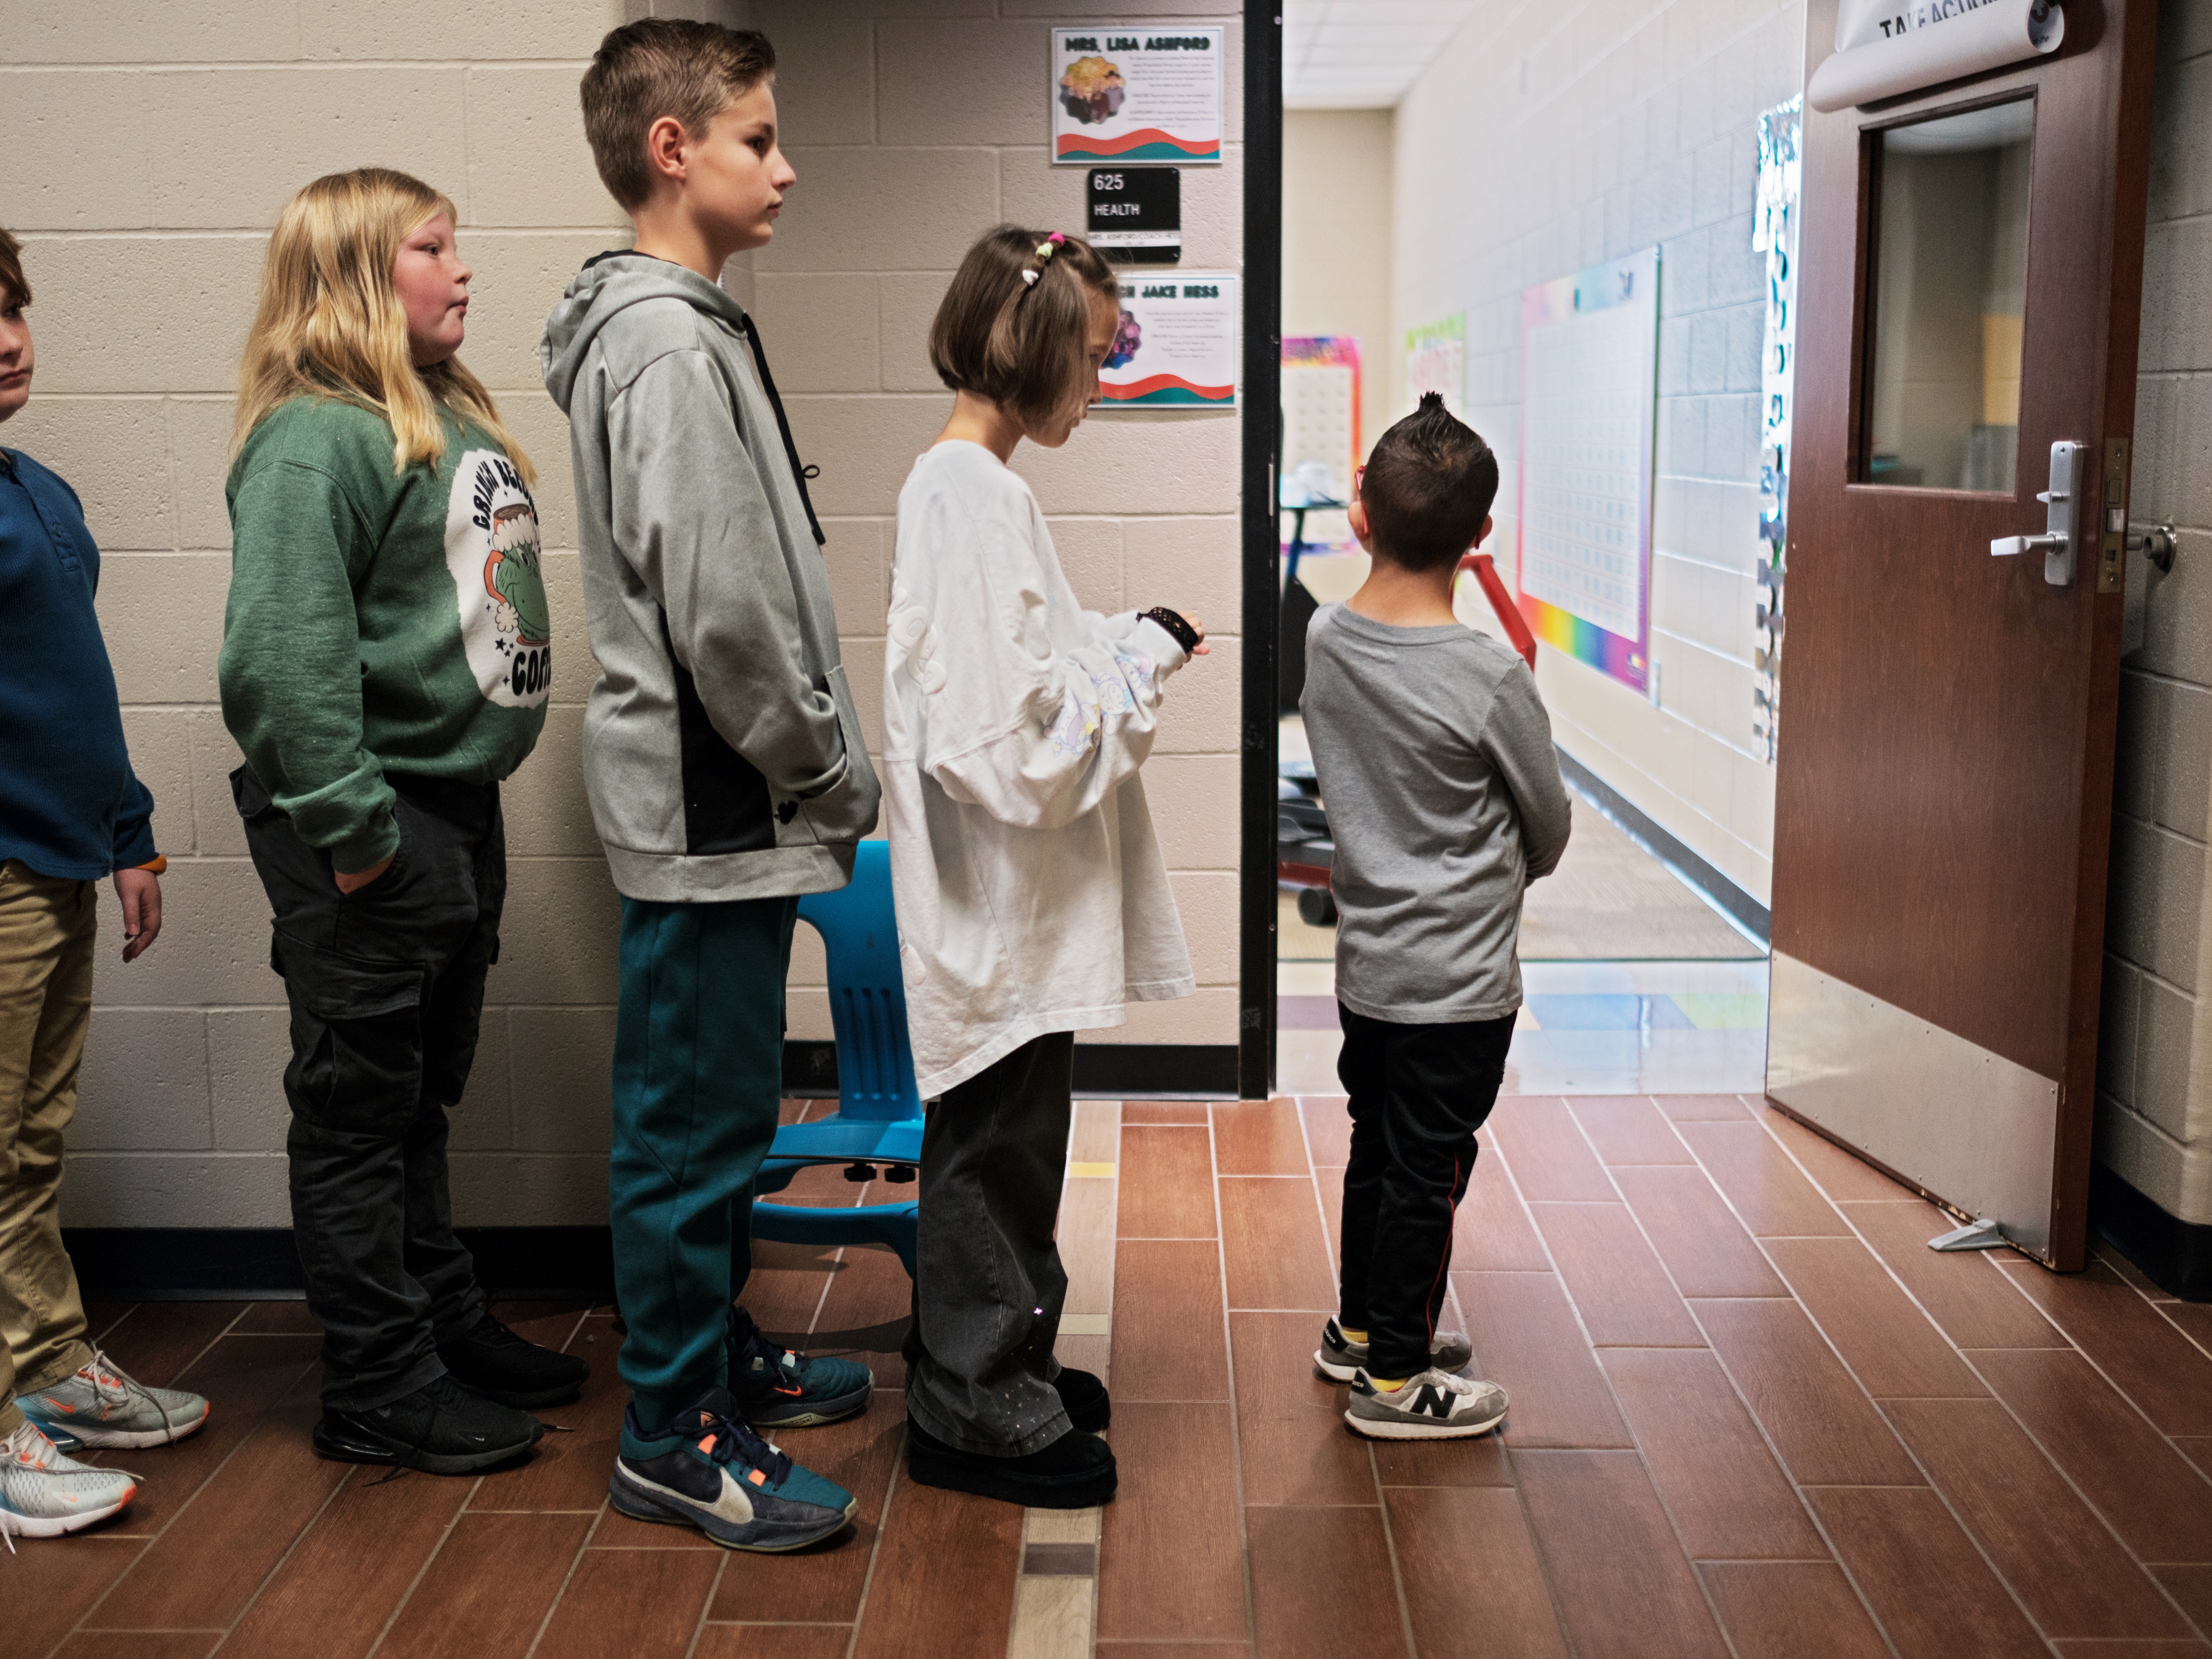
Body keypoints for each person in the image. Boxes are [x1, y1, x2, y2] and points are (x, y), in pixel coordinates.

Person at [542, 19, 881, 1553]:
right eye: (757, 139)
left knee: (726, 1117)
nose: (787, 167)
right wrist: (824, 762)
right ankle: (672, 1433)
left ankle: (713, 1361)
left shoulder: (686, 324)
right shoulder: (666, 341)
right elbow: (725, 613)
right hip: (715, 806)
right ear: (671, 151)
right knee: (687, 1132)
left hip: (728, 808)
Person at [219, 168, 588, 1477]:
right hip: (373, 818)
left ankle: (435, 1323)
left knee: (417, 1102)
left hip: (447, 807)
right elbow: (278, 657)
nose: (462, 268)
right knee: (358, 1115)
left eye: (455, 242)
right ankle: (376, 1384)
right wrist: (354, 826)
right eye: (432, 248)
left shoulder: (433, 410)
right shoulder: (316, 433)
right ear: (357, 277)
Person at [885, 225, 1208, 1508]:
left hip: (1006, 903)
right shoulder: (970, 494)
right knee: (992, 1146)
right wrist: (1139, 666)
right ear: (1030, 351)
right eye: (1088, 355)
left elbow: (1023, 670)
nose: (1096, 383)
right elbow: (1012, 745)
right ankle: (971, 1400)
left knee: (1011, 1140)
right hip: (996, 899)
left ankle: (998, 1357)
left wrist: (1120, 645)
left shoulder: (969, 489)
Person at [1301, 392, 1571, 1439]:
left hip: (1369, 969)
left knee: (1380, 1144)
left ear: (1361, 516)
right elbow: (1544, 825)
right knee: (1427, 1171)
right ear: (1481, 537)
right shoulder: (1491, 677)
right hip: (1457, 985)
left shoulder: (1327, 636)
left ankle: (1361, 1332)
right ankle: (1397, 1381)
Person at [0, 226, 210, 1539]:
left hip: (62, 858)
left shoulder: (41, 490)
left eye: (12, 309)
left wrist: (128, 831)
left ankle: (46, 1365)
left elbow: (72, 690)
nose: (9, 338)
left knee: (29, 1140)